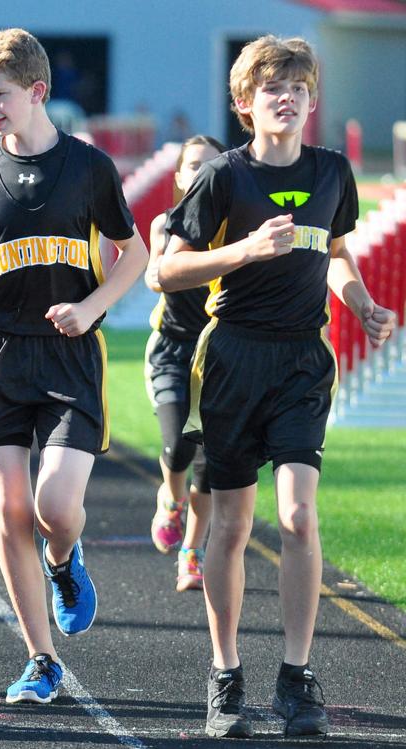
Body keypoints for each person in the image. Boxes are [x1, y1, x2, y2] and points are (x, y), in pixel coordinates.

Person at [159, 35, 396, 738]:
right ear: (244, 104)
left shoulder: (332, 173)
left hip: (300, 361)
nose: (285, 97)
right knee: (231, 524)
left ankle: (296, 676)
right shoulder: (221, 179)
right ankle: (226, 675)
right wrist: (244, 249)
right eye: (271, 88)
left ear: (313, 100)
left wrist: (360, 302)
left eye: (297, 86)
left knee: (297, 516)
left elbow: (337, 252)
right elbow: (164, 272)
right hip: (232, 358)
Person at [0, 28, 147, 705]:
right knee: (10, 509)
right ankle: (41, 658)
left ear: (37, 91)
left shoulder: (88, 168)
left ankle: (64, 561)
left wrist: (93, 307)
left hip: (67, 354)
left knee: (56, 505)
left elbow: (133, 254)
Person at [143, 135, 224, 591]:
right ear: (179, 175)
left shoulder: (233, 227)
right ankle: (170, 500)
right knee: (178, 447)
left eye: (211, 165)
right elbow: (155, 276)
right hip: (173, 350)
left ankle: (192, 552)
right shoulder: (165, 224)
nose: (201, 173)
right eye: (193, 165)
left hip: (220, 354)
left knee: (211, 463)